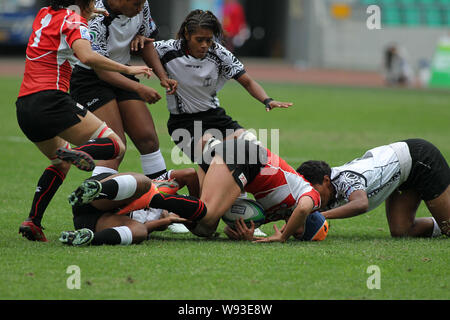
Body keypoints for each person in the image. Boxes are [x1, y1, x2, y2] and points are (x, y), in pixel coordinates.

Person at [16, 0, 153, 242]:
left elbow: (67, 25)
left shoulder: (44, 14)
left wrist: (86, 15)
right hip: (53, 100)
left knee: (60, 164)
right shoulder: (74, 22)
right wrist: (128, 70)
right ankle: (80, 152)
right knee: (114, 145)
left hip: (26, 107)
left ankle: (33, 221)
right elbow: (87, 57)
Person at [70, 0, 178, 181]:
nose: (139, 8)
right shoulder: (96, 15)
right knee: (115, 145)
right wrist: (139, 88)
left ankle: (160, 200)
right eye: (135, 4)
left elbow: (146, 41)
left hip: (121, 70)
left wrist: (162, 76)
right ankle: (96, 203)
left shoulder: (141, 5)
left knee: (148, 138)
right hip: (90, 79)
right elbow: (102, 71)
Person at [184, 136, 332, 243]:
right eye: (299, 234)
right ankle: (163, 204)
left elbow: (229, 225)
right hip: (247, 158)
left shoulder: (274, 214)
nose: (295, 234)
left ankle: (171, 201)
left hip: (243, 170)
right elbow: (303, 209)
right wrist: (283, 237)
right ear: (307, 220)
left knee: (204, 229)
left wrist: (243, 234)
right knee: (207, 216)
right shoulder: (311, 198)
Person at [297, 138, 450, 238]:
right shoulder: (327, 188)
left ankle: (444, 223)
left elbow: (361, 204)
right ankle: (439, 223)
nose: (313, 197)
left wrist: (323, 216)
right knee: (401, 231)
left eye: (315, 192)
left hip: (421, 159)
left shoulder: (346, 178)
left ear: (326, 181)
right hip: (402, 176)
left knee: (449, 228)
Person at [60, 169, 206, 246]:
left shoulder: (161, 223)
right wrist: (196, 200)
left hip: (95, 221)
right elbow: (189, 174)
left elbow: (146, 228)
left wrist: (168, 221)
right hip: (102, 198)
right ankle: (93, 191)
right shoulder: (162, 187)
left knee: (140, 232)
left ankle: (87, 238)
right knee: (145, 183)